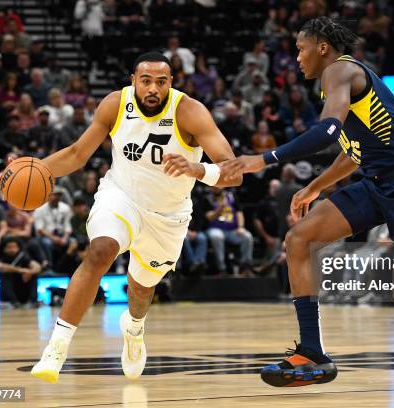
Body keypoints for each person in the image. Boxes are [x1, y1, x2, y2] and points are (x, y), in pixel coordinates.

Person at [221, 17, 394, 387]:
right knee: (299, 240)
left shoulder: (339, 71)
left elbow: (326, 132)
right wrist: (315, 187)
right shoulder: (336, 86)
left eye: (300, 48)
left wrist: (264, 159)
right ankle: (311, 351)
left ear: (322, 47)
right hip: (377, 183)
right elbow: (355, 153)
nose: (296, 58)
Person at [26, 52, 239, 383]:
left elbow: (233, 171)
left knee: (141, 291)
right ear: (134, 81)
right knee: (100, 251)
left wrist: (197, 168)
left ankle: (134, 328)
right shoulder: (115, 104)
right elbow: (77, 154)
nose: (153, 88)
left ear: (171, 83)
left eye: (161, 81)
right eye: (146, 81)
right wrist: (34, 168)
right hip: (120, 196)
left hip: (168, 215)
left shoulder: (190, 112)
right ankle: (56, 347)